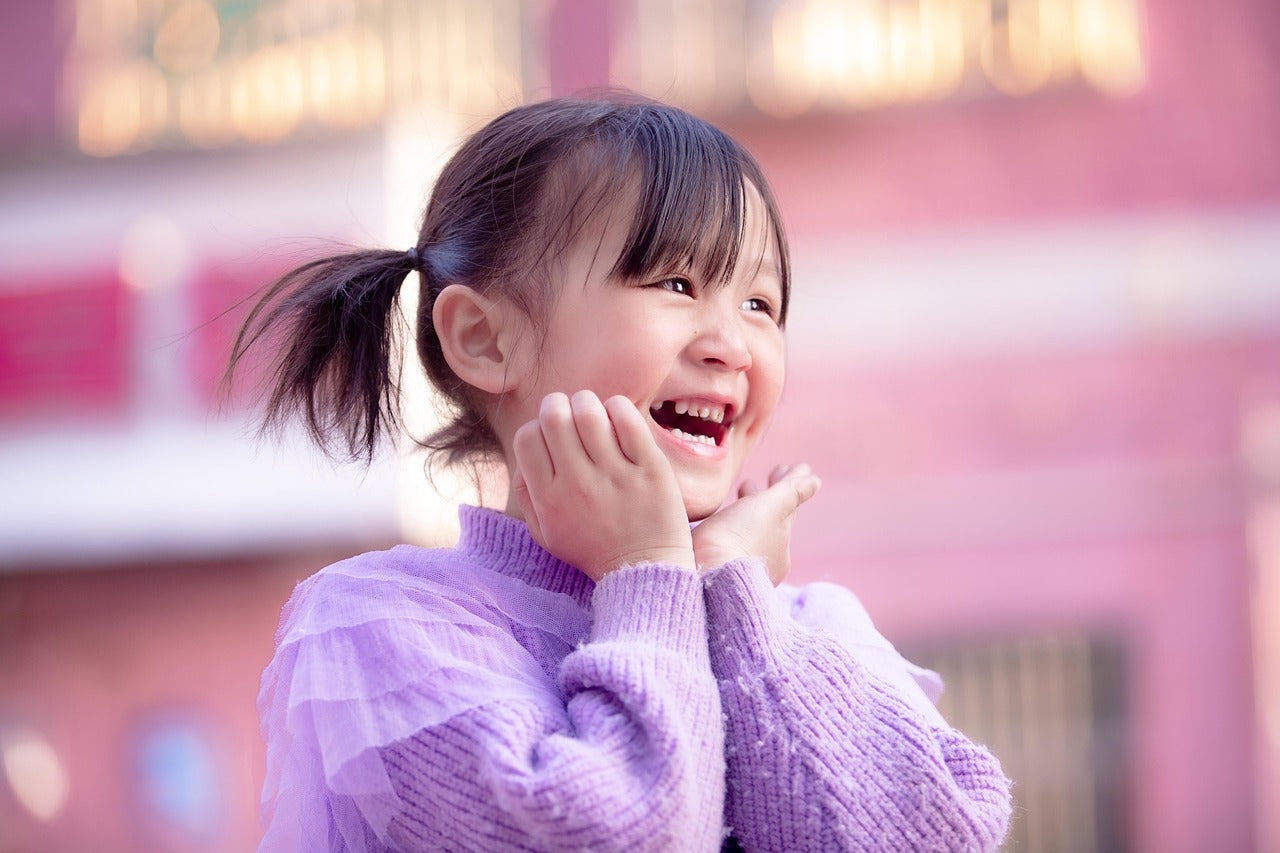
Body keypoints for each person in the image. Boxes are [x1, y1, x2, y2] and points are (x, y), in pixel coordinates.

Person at [234, 94, 1012, 852]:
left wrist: (733, 600)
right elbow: (624, 832)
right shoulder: (384, 627)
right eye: (676, 284)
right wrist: (647, 571)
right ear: (484, 339)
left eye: (760, 303)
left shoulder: (808, 628)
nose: (731, 346)